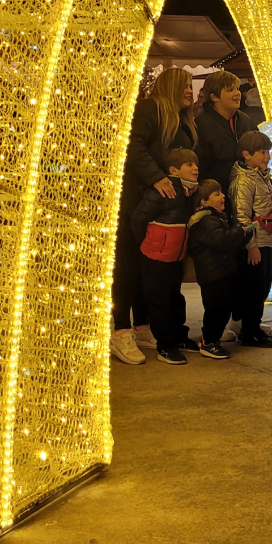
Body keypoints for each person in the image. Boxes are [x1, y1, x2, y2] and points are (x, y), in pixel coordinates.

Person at [113, 67, 197, 365]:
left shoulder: (182, 121)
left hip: (161, 209)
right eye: (185, 85)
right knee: (128, 268)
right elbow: (133, 148)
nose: (190, 90)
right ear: (172, 86)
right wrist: (157, 178)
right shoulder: (150, 109)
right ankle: (120, 329)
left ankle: (142, 326)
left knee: (148, 271)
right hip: (137, 204)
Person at [131, 148, 202, 365]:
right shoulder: (163, 191)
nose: (195, 168)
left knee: (175, 298)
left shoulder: (189, 193)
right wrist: (148, 243)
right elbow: (138, 219)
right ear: (173, 170)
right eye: (189, 165)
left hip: (175, 256)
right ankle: (165, 345)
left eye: (195, 164)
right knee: (159, 301)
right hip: (156, 255)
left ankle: (179, 336)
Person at [186, 179, 255, 358]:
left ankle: (213, 339)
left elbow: (230, 241)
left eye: (222, 192)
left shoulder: (218, 218)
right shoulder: (206, 221)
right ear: (203, 201)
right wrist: (240, 231)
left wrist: (245, 234)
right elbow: (222, 241)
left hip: (222, 271)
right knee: (216, 308)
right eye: (217, 194)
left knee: (223, 307)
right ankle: (208, 341)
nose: (223, 196)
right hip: (212, 274)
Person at [230, 130, 272, 347]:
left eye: (268, 152)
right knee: (253, 289)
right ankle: (249, 330)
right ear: (246, 155)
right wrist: (250, 245)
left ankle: (254, 326)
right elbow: (242, 217)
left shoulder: (263, 177)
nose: (267, 156)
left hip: (267, 242)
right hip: (255, 245)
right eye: (262, 152)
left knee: (263, 286)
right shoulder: (244, 181)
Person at [195, 69, 259, 192]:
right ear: (214, 97)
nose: (237, 93)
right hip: (216, 194)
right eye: (230, 90)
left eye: (237, 88)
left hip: (247, 192)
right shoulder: (201, 125)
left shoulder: (246, 120)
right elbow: (200, 166)